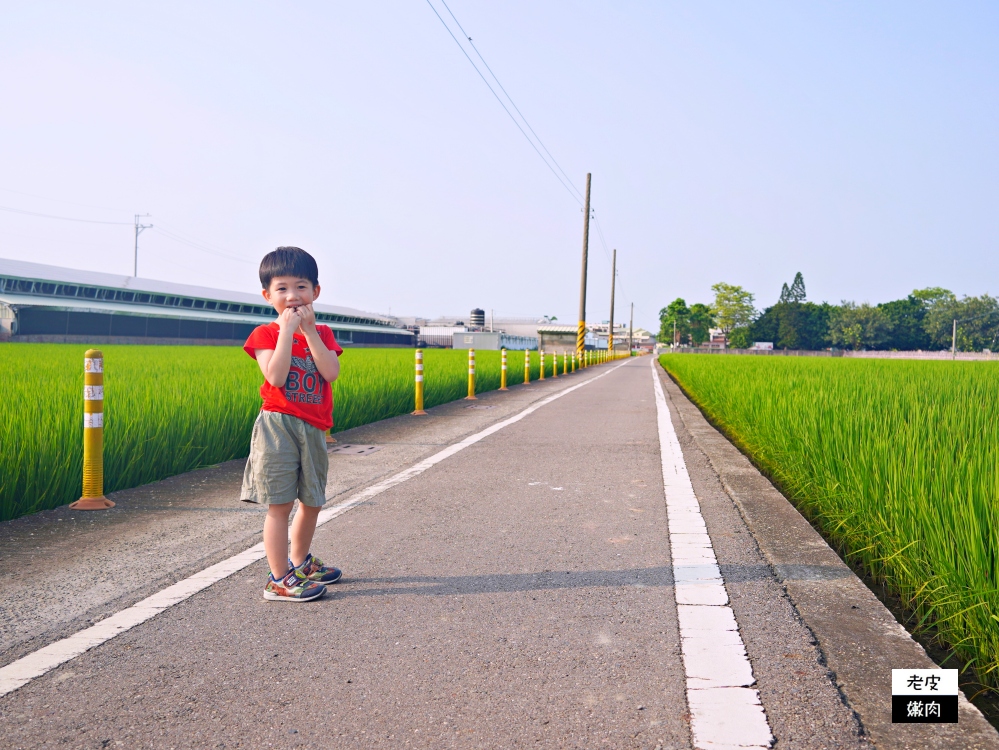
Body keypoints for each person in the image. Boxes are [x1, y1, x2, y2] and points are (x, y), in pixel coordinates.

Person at [241, 246, 344, 601]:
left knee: (312, 500)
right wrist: (287, 332)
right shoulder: (265, 335)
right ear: (267, 295)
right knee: (280, 505)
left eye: (301, 287)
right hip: (277, 426)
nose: (292, 296)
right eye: (281, 288)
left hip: (314, 427)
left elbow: (330, 373)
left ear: (315, 292)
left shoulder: (325, 333)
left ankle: (301, 563)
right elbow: (277, 375)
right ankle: (279, 577)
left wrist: (310, 332)